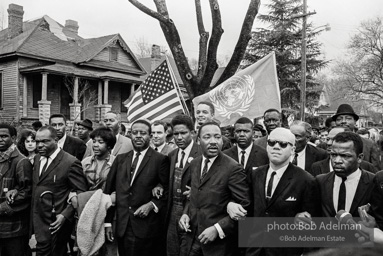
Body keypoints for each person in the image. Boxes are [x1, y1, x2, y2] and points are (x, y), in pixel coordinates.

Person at [245, 127, 320, 256]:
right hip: (255, 249)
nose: (276, 147)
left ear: (292, 149)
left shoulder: (306, 180)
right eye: (272, 143)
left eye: (283, 144)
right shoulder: (255, 174)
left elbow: (311, 225)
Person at [179, 121, 250, 256]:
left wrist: (218, 229)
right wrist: (186, 214)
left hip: (218, 246)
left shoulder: (233, 168)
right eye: (207, 137)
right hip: (191, 240)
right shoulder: (194, 164)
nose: (213, 141)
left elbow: (244, 207)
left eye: (217, 137)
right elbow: (194, 194)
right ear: (198, 141)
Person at [104, 119, 170, 256]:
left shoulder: (160, 160)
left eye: (143, 133)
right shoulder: (120, 159)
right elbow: (108, 192)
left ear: (150, 137)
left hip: (145, 227)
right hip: (122, 226)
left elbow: (167, 191)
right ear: (130, 135)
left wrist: (151, 205)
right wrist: (108, 223)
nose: (138, 136)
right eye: (135, 133)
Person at [31, 126, 88, 256]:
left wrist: (64, 215)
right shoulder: (37, 159)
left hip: (56, 224)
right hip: (38, 221)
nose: (39, 145)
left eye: (45, 141)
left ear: (56, 140)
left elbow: (80, 192)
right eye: (37, 141)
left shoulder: (70, 162)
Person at [163, 114, 202, 256]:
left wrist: (197, 191)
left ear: (192, 133)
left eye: (183, 133)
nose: (179, 137)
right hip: (172, 209)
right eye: (176, 134)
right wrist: (159, 187)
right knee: (172, 249)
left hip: (192, 211)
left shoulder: (202, 153)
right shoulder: (172, 155)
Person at [315, 132, 375, 218]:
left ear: (360, 158)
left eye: (345, 156)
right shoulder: (320, 181)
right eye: (334, 155)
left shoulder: (373, 183)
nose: (337, 160)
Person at [0, 123, 33, 256]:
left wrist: (3, 207)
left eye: (4, 136)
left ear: (13, 138)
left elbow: (27, 192)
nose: (0, 139)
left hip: (13, 228)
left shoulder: (21, 161)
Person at [311, 127, 377, 176]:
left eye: (335, 139)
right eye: (328, 139)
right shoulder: (316, 168)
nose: (329, 143)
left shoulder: (368, 168)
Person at [332, 104, 380, 169]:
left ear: (355, 121)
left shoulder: (369, 144)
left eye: (348, 118)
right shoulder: (329, 144)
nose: (343, 121)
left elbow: (376, 170)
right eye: (339, 119)